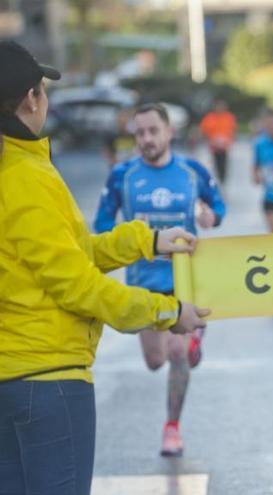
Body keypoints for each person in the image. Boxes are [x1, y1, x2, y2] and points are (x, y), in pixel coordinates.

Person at [0, 41, 209, 495]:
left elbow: (61, 256)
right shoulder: (25, 178)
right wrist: (169, 313)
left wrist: (147, 240)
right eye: (43, 90)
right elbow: (77, 285)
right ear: (31, 100)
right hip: (48, 380)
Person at [94, 102, 226, 457]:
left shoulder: (192, 171)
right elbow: (101, 227)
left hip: (184, 278)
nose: (147, 139)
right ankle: (192, 340)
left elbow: (217, 206)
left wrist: (210, 215)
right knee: (155, 360)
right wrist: (139, 239)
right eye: (139, 133)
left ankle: (172, 428)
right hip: (143, 281)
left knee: (177, 352)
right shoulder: (122, 175)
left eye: (153, 131)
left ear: (169, 132)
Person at [199, 99, 237, 184]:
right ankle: (216, 180)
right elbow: (204, 130)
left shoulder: (229, 117)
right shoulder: (209, 117)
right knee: (215, 164)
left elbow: (232, 131)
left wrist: (228, 141)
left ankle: (222, 180)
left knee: (223, 164)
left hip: (225, 146)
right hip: (214, 147)